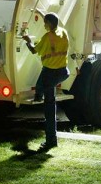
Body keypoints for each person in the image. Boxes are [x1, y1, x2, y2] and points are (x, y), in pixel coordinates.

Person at [22, 12, 70, 151]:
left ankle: (51, 141)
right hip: (62, 71)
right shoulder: (63, 32)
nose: (44, 25)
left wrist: (27, 41)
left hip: (51, 73)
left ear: (49, 23)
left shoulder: (47, 37)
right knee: (42, 79)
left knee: (49, 109)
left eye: (44, 22)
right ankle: (39, 94)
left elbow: (33, 51)